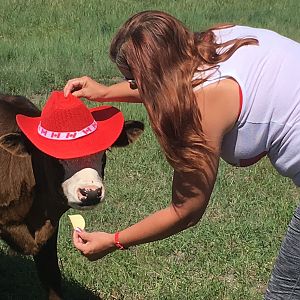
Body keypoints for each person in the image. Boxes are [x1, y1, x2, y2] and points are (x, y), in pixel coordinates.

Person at [63, 10, 300, 299]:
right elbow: (169, 80)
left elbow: (185, 211)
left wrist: (113, 241)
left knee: (285, 292)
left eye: (136, 82)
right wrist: (104, 93)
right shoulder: (215, 40)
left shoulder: (204, 106)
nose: (136, 88)